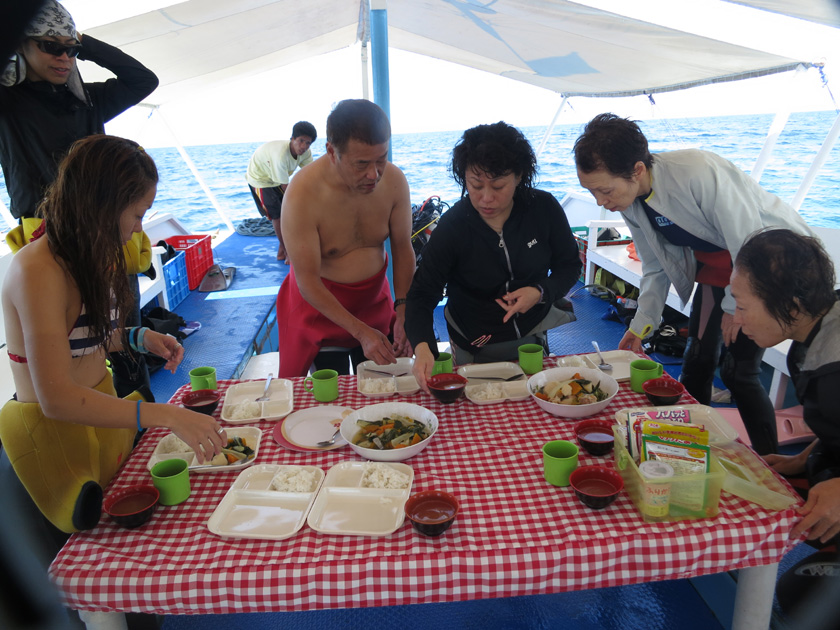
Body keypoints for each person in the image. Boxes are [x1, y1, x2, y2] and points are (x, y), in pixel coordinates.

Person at [0, 135, 226, 547]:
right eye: (137, 214)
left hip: (99, 416)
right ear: (101, 205)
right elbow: (57, 397)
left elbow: (82, 341)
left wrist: (138, 338)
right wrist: (169, 416)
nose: (140, 228)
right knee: (82, 546)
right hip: (56, 435)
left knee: (125, 536)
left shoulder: (90, 254)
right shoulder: (37, 271)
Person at [574, 113, 813, 455]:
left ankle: (770, 461)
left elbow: (747, 239)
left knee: (738, 373)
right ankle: (686, 450)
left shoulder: (697, 172)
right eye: (591, 191)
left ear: (637, 170)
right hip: (720, 274)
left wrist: (735, 309)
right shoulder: (629, 200)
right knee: (697, 360)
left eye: (604, 189)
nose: (600, 201)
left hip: (769, 268)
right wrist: (640, 326)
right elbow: (654, 266)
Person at [0, 0, 161, 400]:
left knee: (123, 330)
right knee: (71, 347)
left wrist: (82, 43)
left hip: (105, 230)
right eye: (51, 46)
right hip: (49, 240)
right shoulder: (9, 105)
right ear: (22, 45)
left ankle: (139, 430)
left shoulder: (86, 99)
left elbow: (143, 79)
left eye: (70, 49)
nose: (64, 57)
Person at [405, 122, 580, 392]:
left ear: (519, 176)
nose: (486, 198)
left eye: (498, 186)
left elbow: (569, 265)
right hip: (473, 342)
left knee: (536, 401)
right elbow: (421, 295)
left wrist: (541, 291)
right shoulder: (453, 227)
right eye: (475, 185)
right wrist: (423, 347)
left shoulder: (543, 209)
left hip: (532, 334)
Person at [275, 99, 414, 377]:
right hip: (320, 310)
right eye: (361, 163)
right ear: (331, 151)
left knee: (387, 388)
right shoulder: (302, 194)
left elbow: (402, 248)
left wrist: (404, 308)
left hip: (375, 302)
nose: (373, 174)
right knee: (329, 396)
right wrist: (362, 333)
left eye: (381, 159)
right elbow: (307, 282)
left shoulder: (395, 181)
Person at [731, 229, 839, 544]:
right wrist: (801, 459)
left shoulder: (833, 371)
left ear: (791, 308)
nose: (737, 320)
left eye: (742, 306)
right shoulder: (815, 330)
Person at [246, 121, 317, 261]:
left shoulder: (306, 153)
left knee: (289, 212)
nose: (303, 146)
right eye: (301, 141)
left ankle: (281, 253)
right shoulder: (281, 156)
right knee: (278, 216)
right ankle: (287, 253)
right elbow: (286, 187)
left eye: (308, 143)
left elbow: (312, 174)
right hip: (260, 180)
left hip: (276, 178)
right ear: (292, 139)